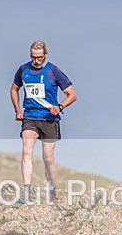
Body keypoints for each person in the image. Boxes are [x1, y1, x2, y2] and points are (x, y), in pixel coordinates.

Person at [10, 41, 76, 204]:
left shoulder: (54, 71)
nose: (36, 61)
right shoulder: (23, 69)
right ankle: (26, 193)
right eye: (33, 57)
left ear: (45, 55)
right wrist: (17, 110)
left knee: (48, 159)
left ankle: (52, 193)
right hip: (30, 116)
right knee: (26, 151)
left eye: (39, 58)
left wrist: (59, 106)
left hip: (49, 118)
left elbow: (72, 95)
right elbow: (14, 89)